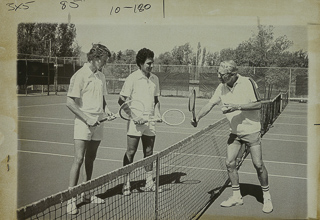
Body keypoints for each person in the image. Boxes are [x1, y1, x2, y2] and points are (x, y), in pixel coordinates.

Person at [191, 60, 273, 213]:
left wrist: (237, 106)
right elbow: (210, 104)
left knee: (258, 165)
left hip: (251, 131)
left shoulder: (247, 82)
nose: (218, 77)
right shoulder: (221, 87)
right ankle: (237, 196)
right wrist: (198, 118)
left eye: (221, 74)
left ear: (232, 75)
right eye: (218, 73)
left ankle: (266, 196)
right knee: (229, 163)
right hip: (234, 133)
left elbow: (258, 104)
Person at [66, 44, 113, 215]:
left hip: (99, 123)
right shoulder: (80, 75)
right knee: (78, 159)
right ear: (95, 58)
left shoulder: (101, 76)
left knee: (90, 159)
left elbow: (102, 99)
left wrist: (106, 111)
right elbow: (69, 102)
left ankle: (86, 194)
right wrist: (87, 118)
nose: (105, 63)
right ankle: (71, 199)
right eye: (104, 60)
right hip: (83, 123)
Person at [118, 48, 162, 196]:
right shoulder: (132, 78)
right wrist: (134, 116)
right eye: (148, 63)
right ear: (141, 63)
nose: (151, 66)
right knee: (131, 152)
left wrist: (157, 113)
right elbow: (121, 100)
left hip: (150, 121)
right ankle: (126, 182)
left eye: (152, 63)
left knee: (149, 152)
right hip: (135, 122)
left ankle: (149, 182)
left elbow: (156, 100)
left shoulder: (155, 79)